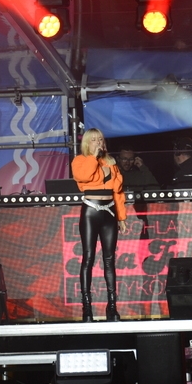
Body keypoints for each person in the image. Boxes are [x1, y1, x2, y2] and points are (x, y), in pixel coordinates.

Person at [71, 129, 128, 321]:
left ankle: (112, 306)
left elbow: (118, 192)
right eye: (94, 140)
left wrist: (121, 217)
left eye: (100, 140)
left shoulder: (110, 162)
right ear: (87, 142)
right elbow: (84, 177)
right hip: (91, 211)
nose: (98, 142)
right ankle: (87, 307)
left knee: (109, 259)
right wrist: (93, 157)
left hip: (109, 211)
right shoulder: (80, 160)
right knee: (88, 257)